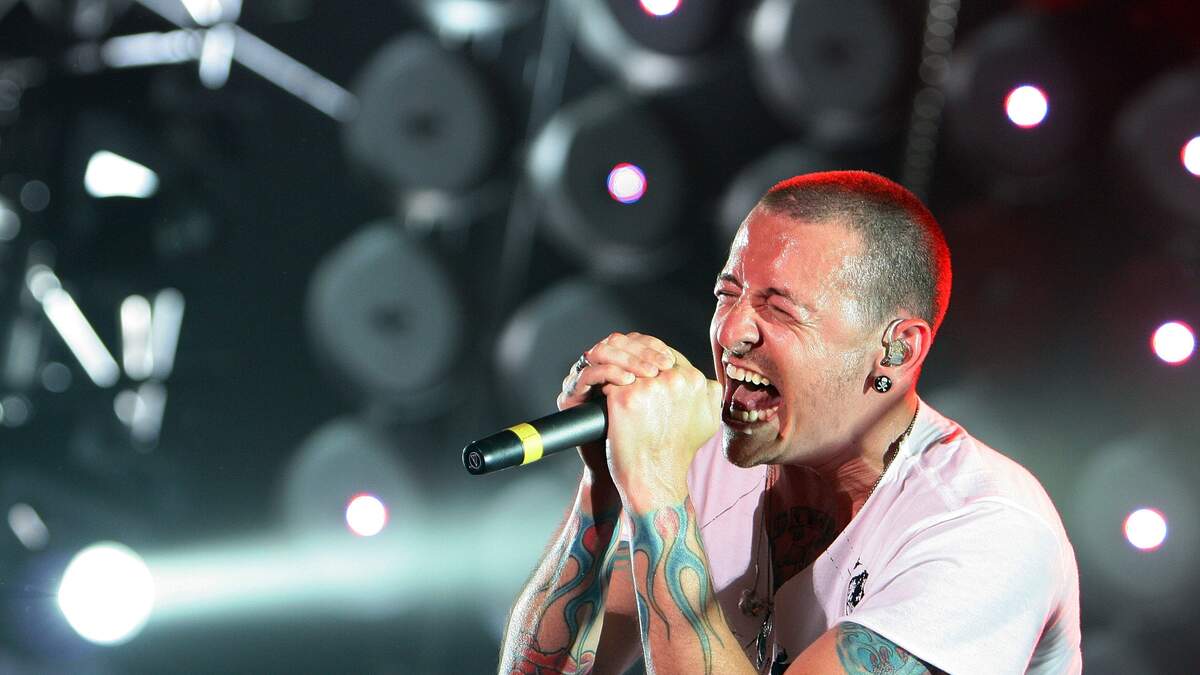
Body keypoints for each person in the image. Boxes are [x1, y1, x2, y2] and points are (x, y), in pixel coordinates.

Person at [497, 171, 1081, 675]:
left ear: (896, 350)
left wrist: (655, 491)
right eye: (728, 294)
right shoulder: (693, 454)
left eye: (778, 308)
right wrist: (605, 483)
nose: (730, 332)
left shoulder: (985, 528)